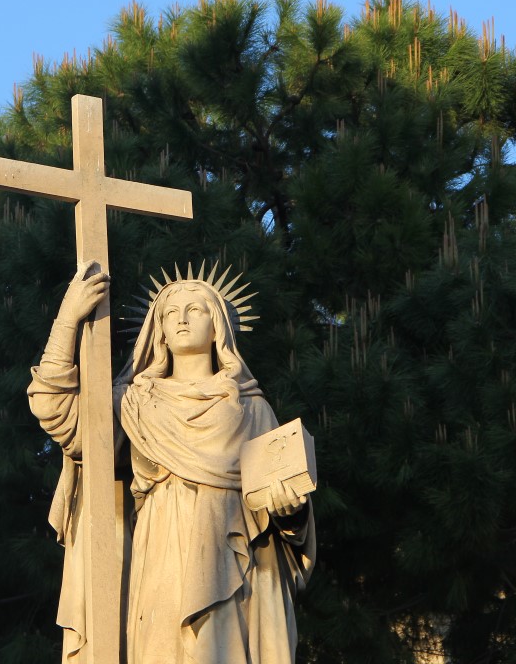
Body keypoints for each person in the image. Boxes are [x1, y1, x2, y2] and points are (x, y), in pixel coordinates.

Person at [28, 262, 315, 664]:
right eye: (169, 312)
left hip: (229, 565)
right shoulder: (135, 402)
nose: (180, 319)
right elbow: (59, 414)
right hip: (157, 556)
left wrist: (292, 512)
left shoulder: (253, 409)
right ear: (157, 329)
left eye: (195, 309)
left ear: (218, 326)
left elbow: (281, 517)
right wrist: (67, 320)